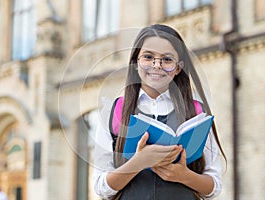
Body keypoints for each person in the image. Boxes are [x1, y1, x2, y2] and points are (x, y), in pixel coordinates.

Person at [93, 24, 226, 200]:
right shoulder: (114, 112)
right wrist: (138, 162)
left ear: (178, 68)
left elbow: (214, 186)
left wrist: (183, 175)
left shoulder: (196, 113)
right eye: (148, 57)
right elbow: (101, 187)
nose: (157, 65)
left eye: (167, 59)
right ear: (136, 62)